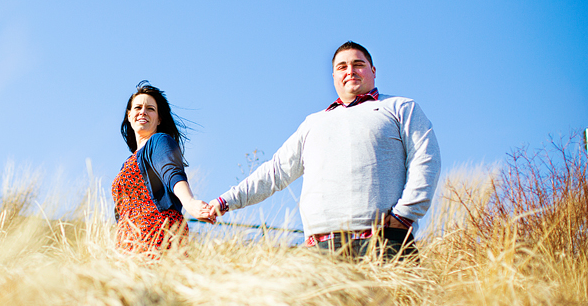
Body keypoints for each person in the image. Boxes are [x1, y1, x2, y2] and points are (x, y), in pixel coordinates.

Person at [209, 41, 441, 259]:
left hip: (384, 240)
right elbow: (275, 172)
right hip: (321, 249)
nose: (350, 70)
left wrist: (404, 215)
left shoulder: (399, 107)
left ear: (373, 70)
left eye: (358, 64)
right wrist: (224, 202)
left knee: (395, 304)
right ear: (334, 77)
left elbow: (425, 159)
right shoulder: (313, 123)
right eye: (342, 67)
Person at [112, 81, 214, 258]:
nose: (143, 112)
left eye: (150, 108)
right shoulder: (128, 162)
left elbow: (172, 172)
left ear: (159, 119)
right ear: (129, 115)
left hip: (157, 235)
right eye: (137, 107)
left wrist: (189, 202)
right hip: (126, 244)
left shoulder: (159, 141)